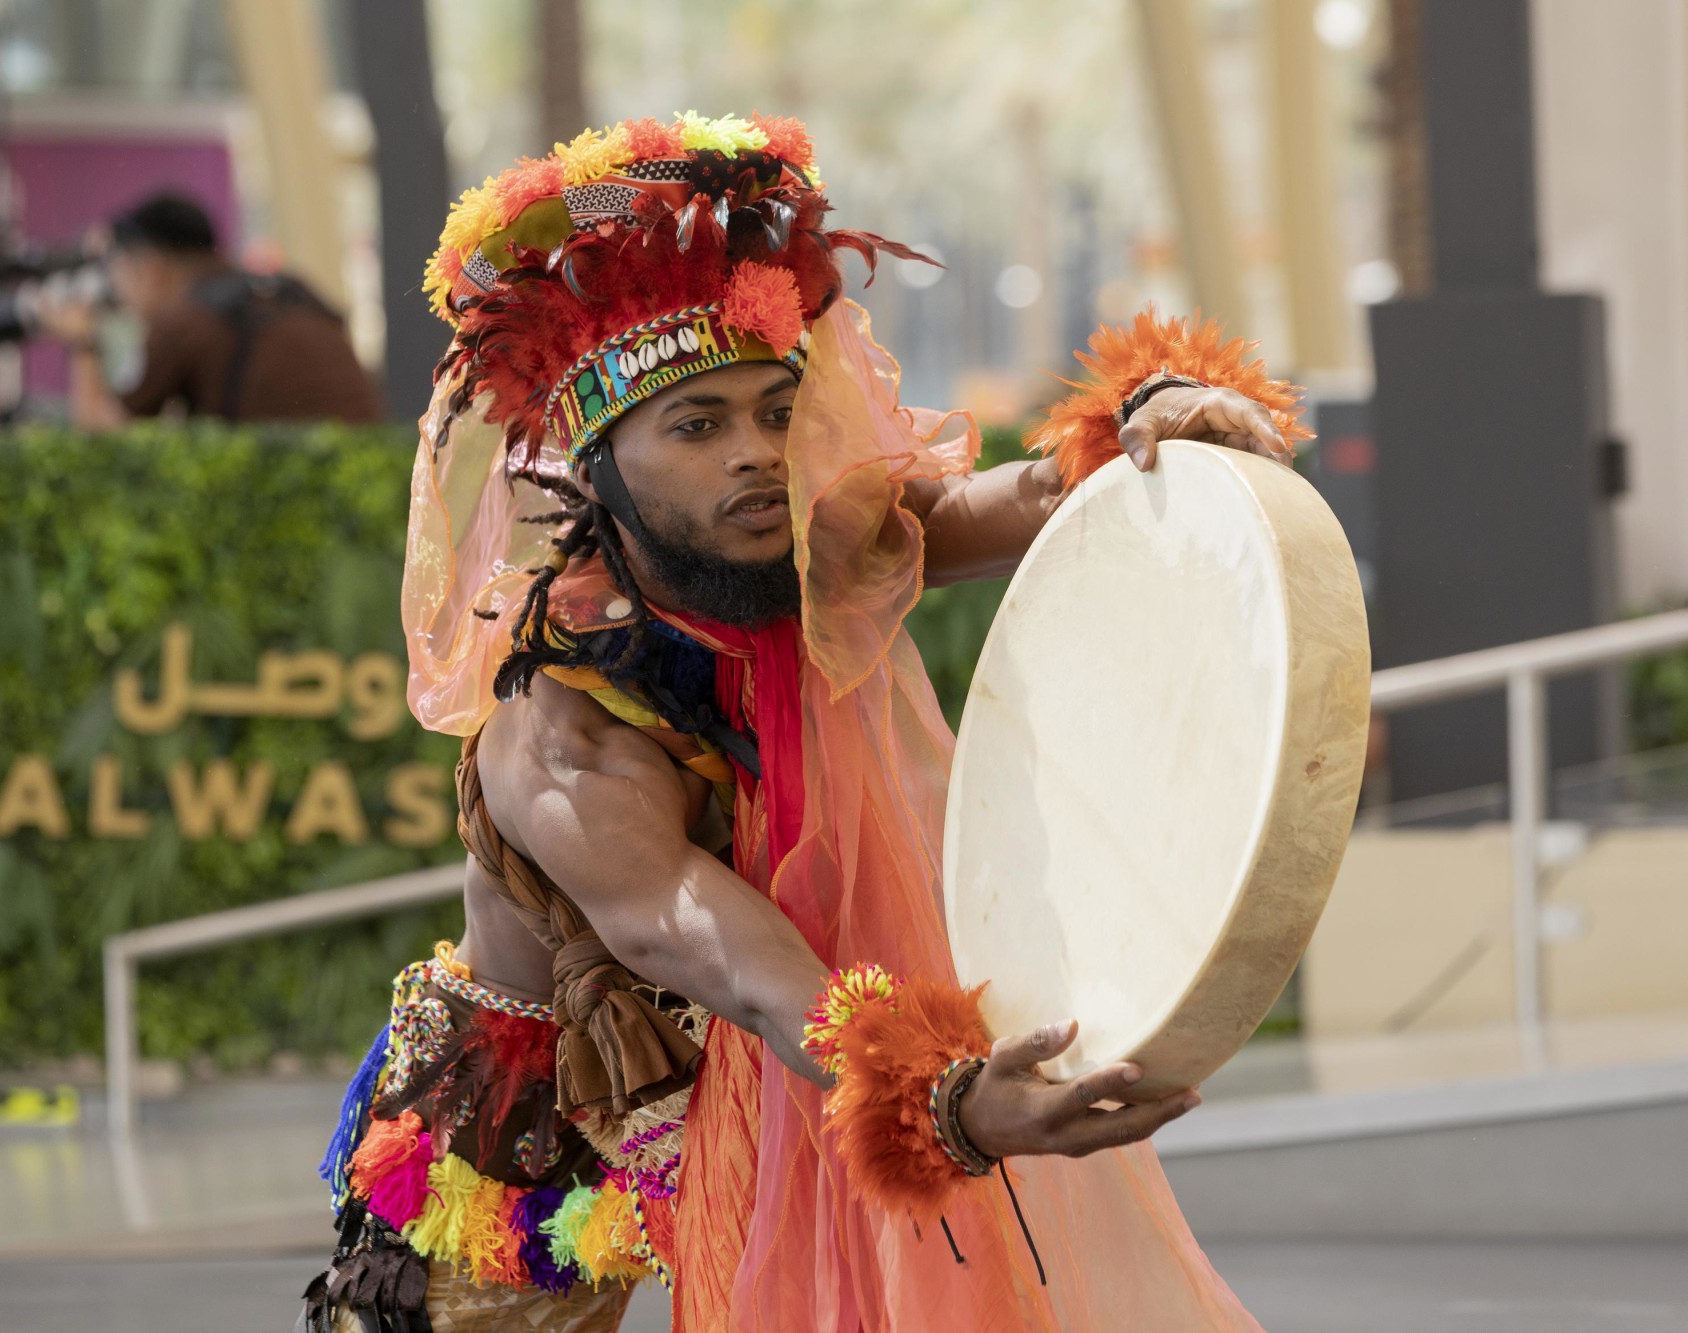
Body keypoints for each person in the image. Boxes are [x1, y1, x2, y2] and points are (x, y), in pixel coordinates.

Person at [304, 113, 1306, 1332]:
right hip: (534, 1125)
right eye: (696, 425)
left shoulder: (802, 543)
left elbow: (1027, 494)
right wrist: (933, 1101)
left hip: (759, 1081)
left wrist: (1157, 416)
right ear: (593, 461)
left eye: (776, 411)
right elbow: (715, 949)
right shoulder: (565, 725)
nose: (755, 456)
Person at [38, 191, 381, 428]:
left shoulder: (185, 319)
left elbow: (104, 436)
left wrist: (82, 342)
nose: (117, 292)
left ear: (153, 270)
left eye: (120, 271)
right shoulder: (282, 291)